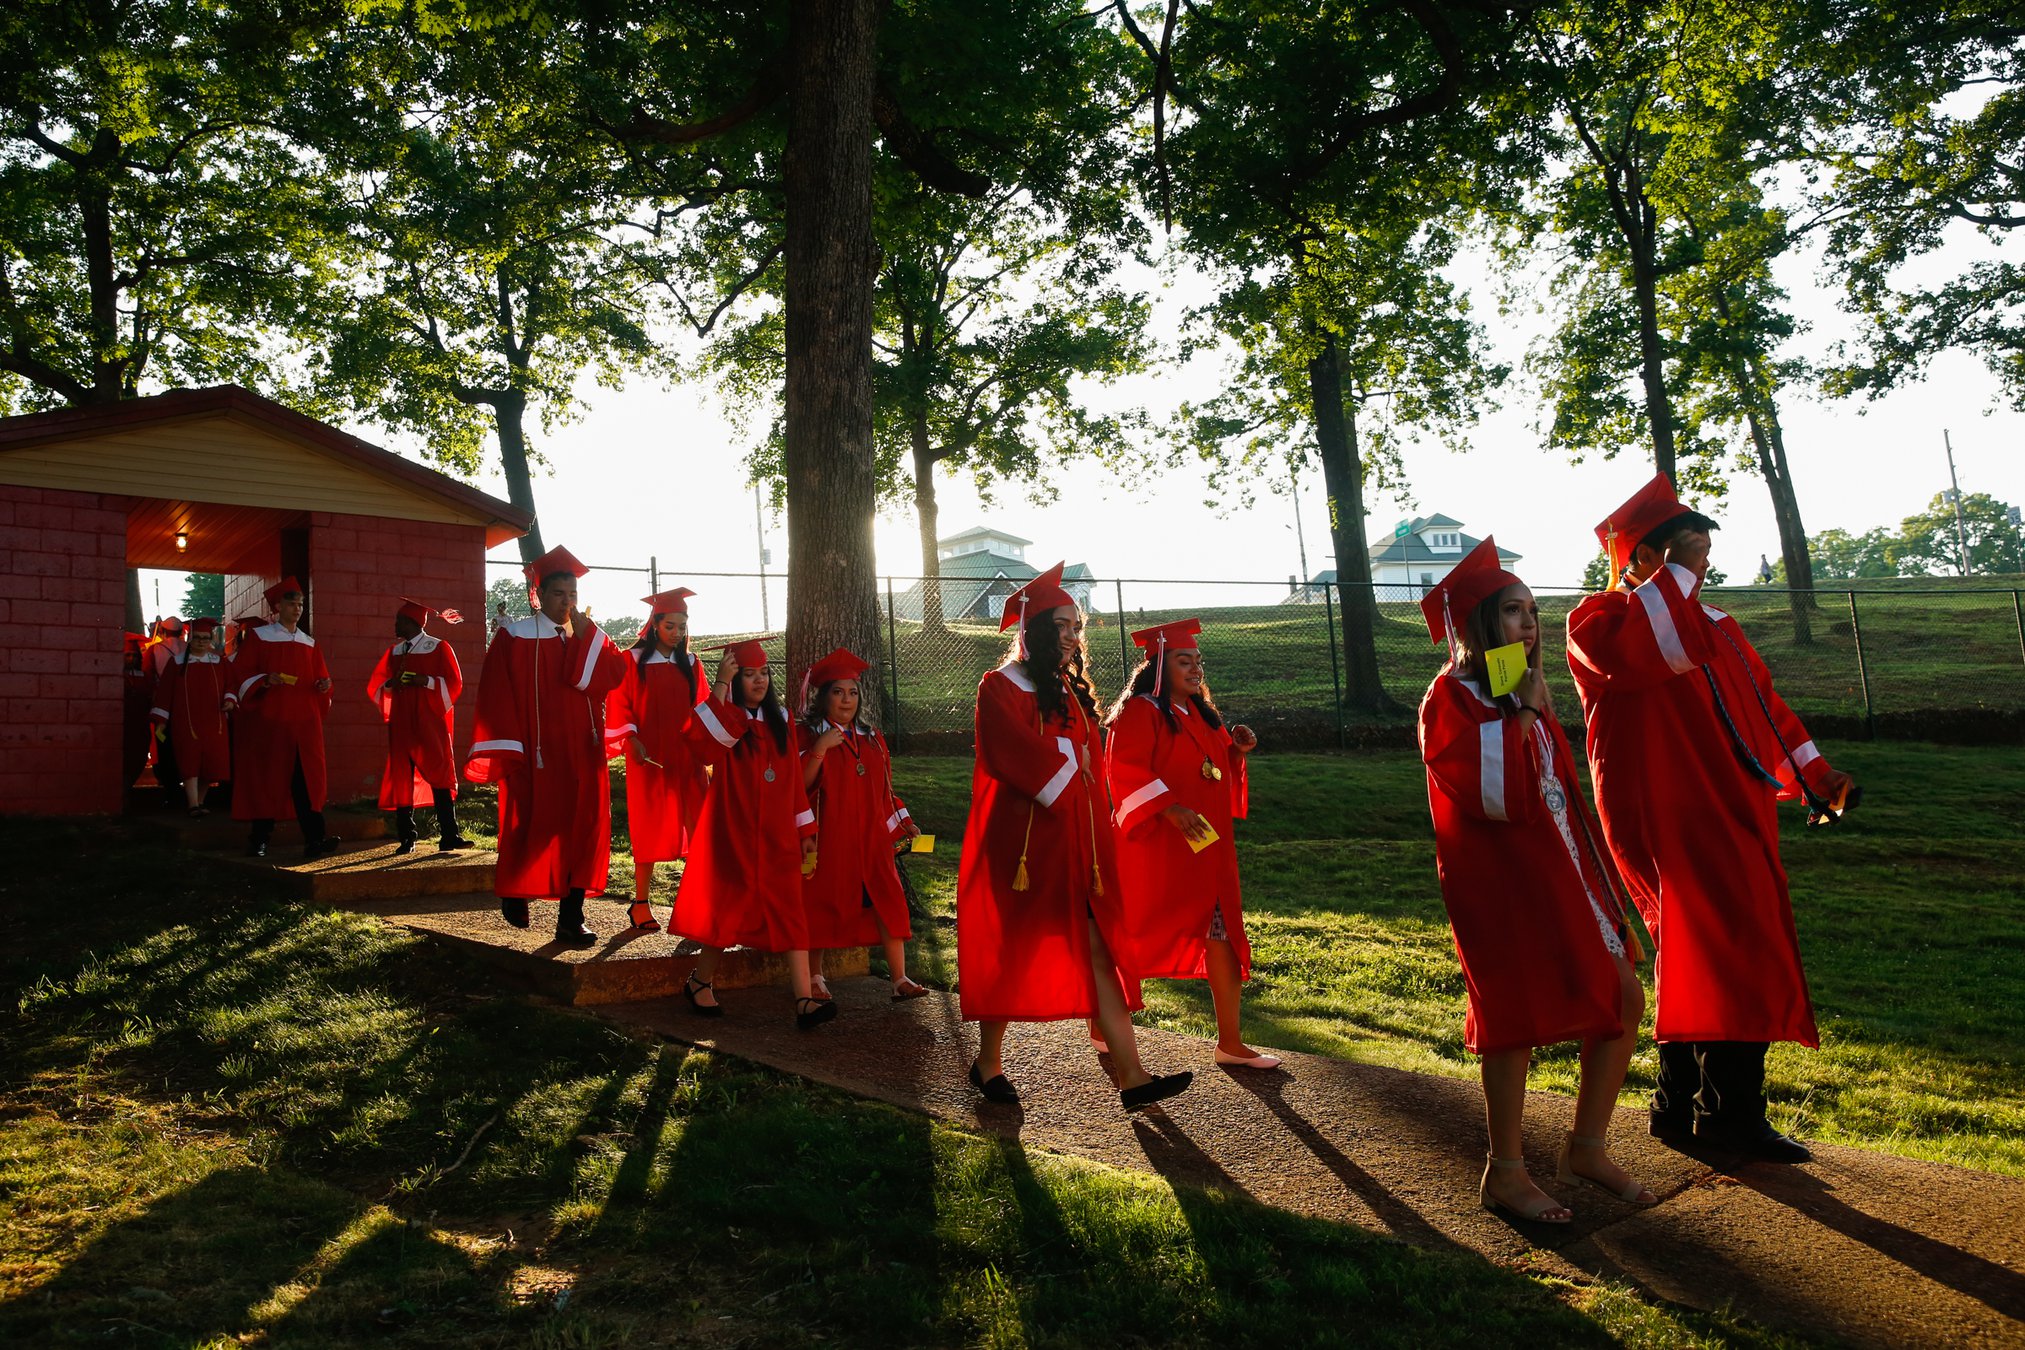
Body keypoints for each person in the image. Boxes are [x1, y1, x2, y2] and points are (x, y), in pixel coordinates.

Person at [1569, 473, 1857, 1163]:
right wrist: (1670, 576)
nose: (1697, 562)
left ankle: (1677, 1106)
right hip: (1667, 809)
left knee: (1702, 952)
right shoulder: (1599, 621)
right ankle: (1727, 1113)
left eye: (1698, 549)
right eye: (1679, 548)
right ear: (1638, 558)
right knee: (1728, 948)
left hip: (1732, 808)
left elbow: (1766, 708)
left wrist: (1817, 776)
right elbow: (1646, 651)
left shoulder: (1718, 628)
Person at [1418, 539, 1656, 1223]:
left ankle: (1584, 1147)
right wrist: (1522, 712)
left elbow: (1554, 787)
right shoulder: (1451, 695)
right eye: (1512, 612)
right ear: (1477, 624)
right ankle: (1505, 1169)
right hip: (1500, 884)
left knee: (1622, 994)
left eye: (1531, 611)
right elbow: (1489, 793)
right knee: (1512, 1023)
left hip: (1562, 870)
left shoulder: (1519, 686)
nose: (1528, 624)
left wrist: (1527, 704)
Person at [957, 562, 1193, 1112]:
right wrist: (1073, 758)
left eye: (1075, 627)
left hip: (1078, 842)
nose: (1071, 637)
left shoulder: (1066, 688)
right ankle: (988, 1061)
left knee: (1097, 947)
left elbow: (1092, 760)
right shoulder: (999, 686)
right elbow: (1007, 753)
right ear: (1033, 631)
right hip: (1025, 844)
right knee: (1014, 951)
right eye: (1060, 627)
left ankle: (1133, 1077)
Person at [1103, 619, 1273, 1069]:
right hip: (1160, 850)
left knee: (1222, 934)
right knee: (1129, 932)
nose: (1196, 669)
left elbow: (1212, 769)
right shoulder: (1139, 712)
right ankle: (1102, 1019)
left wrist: (1235, 752)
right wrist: (1170, 809)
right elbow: (1124, 771)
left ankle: (1231, 1042)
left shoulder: (1199, 714)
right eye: (1184, 661)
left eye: (1198, 662)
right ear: (1158, 666)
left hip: (1207, 849)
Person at [465, 546, 631, 948]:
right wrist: (510, 746)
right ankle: (515, 888)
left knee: (583, 830)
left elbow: (612, 675)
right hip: (536, 752)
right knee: (533, 824)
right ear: (538, 594)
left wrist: (586, 632)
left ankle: (571, 919)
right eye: (559, 594)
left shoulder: (590, 637)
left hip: (583, 752)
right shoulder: (515, 635)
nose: (568, 603)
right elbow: (495, 695)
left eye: (573, 594)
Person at [670, 639, 827, 1028]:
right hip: (734, 827)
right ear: (735, 680)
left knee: (791, 908)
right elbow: (702, 747)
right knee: (728, 908)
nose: (758, 681)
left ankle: (804, 1000)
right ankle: (700, 981)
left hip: (776, 831)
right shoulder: (728, 718)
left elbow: (791, 779)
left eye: (763, 673)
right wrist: (720, 685)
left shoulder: (782, 720)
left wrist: (804, 828)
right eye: (748, 675)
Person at [797, 646, 930, 1003]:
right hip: (831, 838)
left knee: (888, 901)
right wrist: (821, 748)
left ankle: (900, 978)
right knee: (822, 904)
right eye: (838, 692)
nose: (846, 700)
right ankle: (814, 977)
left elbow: (885, 789)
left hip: (871, 841)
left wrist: (904, 822)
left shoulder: (871, 739)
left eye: (853, 692)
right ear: (823, 696)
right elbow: (800, 786)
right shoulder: (807, 736)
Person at [604, 588, 710, 931]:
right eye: (671, 626)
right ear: (654, 625)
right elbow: (620, 703)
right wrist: (631, 738)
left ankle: (698, 901)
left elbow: (703, 708)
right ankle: (640, 903)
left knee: (698, 828)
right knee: (649, 828)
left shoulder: (691, 664)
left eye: (682, 627)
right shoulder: (631, 661)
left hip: (687, 757)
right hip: (650, 759)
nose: (677, 633)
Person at [228, 580, 336, 859]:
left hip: (304, 724)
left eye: (300, 604)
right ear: (277, 607)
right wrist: (264, 680)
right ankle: (259, 840)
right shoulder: (260, 637)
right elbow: (240, 674)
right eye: (291, 604)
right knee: (269, 780)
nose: (297, 609)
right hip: (271, 722)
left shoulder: (309, 643)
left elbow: (321, 679)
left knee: (306, 782)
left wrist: (325, 685)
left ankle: (315, 839)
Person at [367, 598, 471, 855]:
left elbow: (454, 683)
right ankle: (407, 837)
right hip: (402, 723)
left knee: (440, 774)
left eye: (399, 621)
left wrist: (426, 681)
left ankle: (449, 835)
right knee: (402, 778)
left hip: (429, 722)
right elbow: (377, 684)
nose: (395, 625)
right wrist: (391, 684)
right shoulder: (395, 652)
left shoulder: (437, 647)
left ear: (411, 622)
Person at [149, 617, 231, 816]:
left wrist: (230, 699)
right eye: (197, 638)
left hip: (214, 720)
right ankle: (192, 803)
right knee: (190, 761)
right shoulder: (177, 663)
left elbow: (231, 685)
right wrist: (161, 721)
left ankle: (200, 802)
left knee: (210, 765)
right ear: (189, 638)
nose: (201, 642)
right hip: (186, 721)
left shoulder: (219, 662)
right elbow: (165, 693)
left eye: (205, 638)